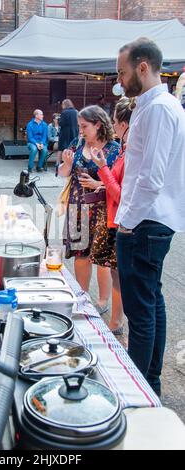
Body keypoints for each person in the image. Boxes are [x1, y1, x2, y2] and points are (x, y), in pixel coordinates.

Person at [115, 37, 185, 396]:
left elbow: (151, 177)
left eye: (122, 71)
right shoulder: (155, 104)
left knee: (141, 312)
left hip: (145, 223)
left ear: (143, 67)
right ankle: (149, 383)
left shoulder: (159, 108)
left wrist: (127, 222)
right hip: (152, 220)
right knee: (151, 303)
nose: (119, 79)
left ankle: (138, 388)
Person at [58, 105, 120, 313]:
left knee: (102, 257)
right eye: (79, 126)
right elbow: (63, 173)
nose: (80, 131)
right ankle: (82, 296)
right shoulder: (77, 143)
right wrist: (66, 164)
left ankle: (102, 301)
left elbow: (119, 182)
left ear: (98, 124)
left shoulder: (113, 149)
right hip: (77, 207)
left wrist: (97, 184)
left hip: (103, 209)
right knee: (80, 253)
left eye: (84, 126)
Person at [90, 97, 135, 334]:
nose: (114, 126)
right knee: (116, 274)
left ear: (124, 123)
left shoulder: (130, 154)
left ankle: (117, 322)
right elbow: (114, 186)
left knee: (120, 277)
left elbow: (122, 195)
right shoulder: (126, 149)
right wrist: (104, 183)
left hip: (120, 221)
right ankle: (116, 321)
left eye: (116, 122)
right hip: (113, 218)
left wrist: (103, 169)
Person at [57, 99, 79, 167]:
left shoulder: (64, 112)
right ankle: (70, 164)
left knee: (61, 148)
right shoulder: (76, 112)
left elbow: (61, 123)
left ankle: (58, 164)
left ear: (65, 105)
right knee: (72, 148)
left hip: (65, 133)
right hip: (74, 132)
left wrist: (58, 119)